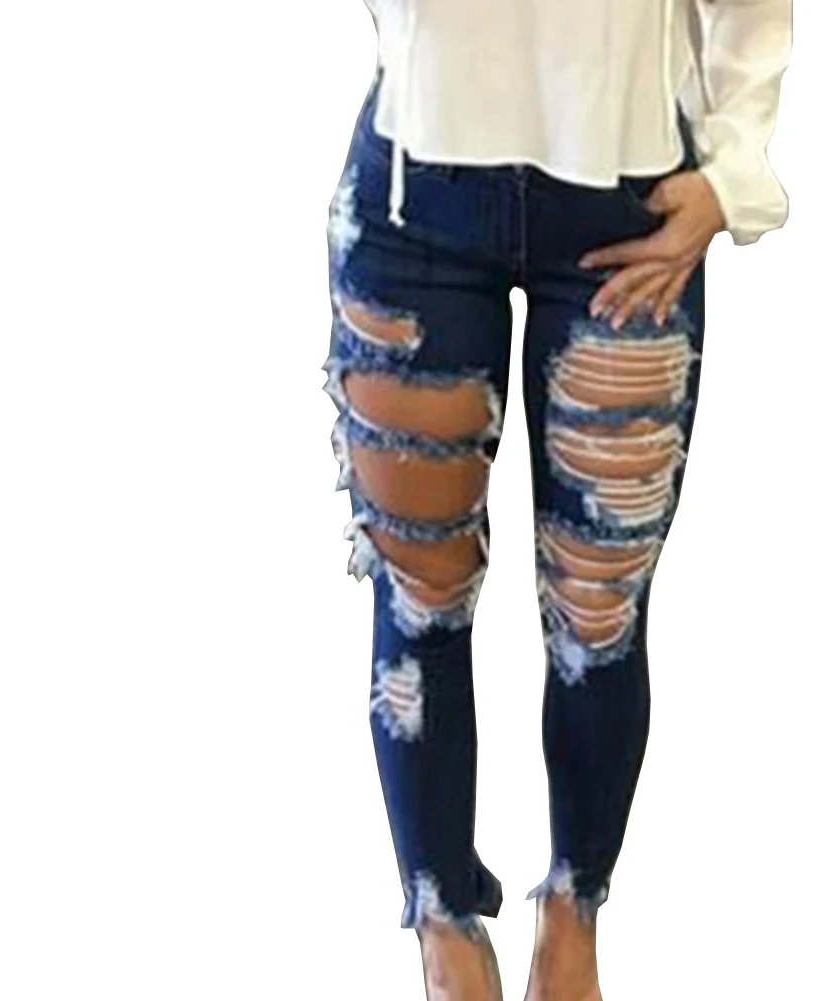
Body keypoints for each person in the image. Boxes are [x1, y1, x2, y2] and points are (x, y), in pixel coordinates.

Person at [322, 1, 791, 998]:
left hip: (629, 198)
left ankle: (574, 908)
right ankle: (441, 919)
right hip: (416, 196)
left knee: (598, 611)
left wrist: (733, 172)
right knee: (420, 592)